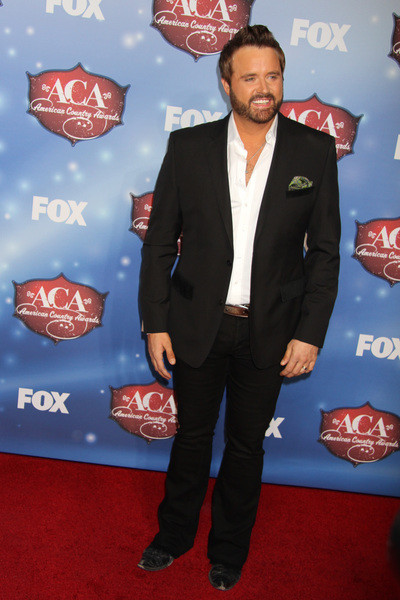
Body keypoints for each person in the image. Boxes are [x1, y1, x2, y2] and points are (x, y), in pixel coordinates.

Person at [138, 24, 340, 591]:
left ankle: (228, 551)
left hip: (270, 330)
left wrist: (311, 333)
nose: (263, 88)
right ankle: (173, 536)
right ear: (226, 84)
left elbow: (325, 253)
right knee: (191, 437)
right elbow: (159, 244)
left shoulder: (313, 150)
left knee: (247, 447)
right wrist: (156, 322)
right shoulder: (188, 147)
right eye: (250, 77)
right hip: (197, 323)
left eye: (273, 75)